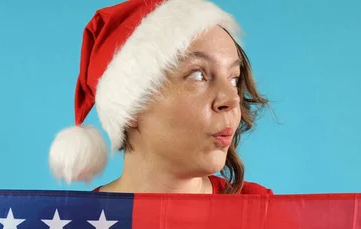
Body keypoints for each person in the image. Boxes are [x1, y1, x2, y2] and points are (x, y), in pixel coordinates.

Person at [48, 0, 274, 195]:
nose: (232, 100)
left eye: (234, 78)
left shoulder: (265, 214)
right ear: (131, 107)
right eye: (198, 74)